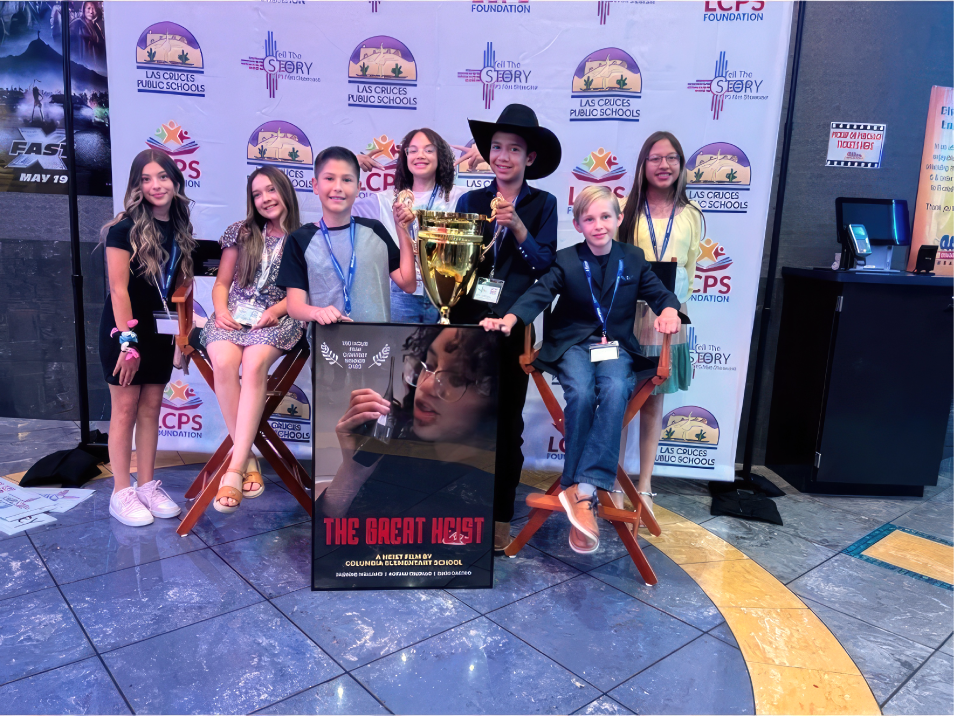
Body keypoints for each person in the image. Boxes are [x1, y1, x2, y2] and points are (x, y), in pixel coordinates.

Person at [480, 186, 682, 553]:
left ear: (618, 219)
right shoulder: (567, 259)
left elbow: (659, 294)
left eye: (606, 217)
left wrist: (669, 310)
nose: (598, 225)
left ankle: (580, 488)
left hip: (614, 347)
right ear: (578, 224)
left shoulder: (633, 259)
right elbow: (539, 294)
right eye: (589, 219)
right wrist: (510, 318)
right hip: (571, 345)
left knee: (618, 389)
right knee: (582, 393)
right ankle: (585, 493)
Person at [452, 103, 561, 552]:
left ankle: (498, 516)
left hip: (515, 327)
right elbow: (456, 269)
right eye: (496, 147)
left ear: (529, 158)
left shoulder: (543, 205)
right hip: (471, 324)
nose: (503, 156)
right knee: (464, 422)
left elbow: (545, 266)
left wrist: (517, 226)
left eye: (514, 149)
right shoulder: (470, 202)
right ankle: (461, 510)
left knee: (507, 426)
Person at [316, 326, 498, 587]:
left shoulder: (484, 484)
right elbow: (329, 562)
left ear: (491, 395)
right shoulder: (395, 441)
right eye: (429, 365)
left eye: (456, 379)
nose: (425, 386)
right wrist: (352, 473)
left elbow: (464, 573)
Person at [98, 149, 196, 527]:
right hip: (126, 331)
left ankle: (146, 486)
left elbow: (182, 286)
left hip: (161, 331)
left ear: (175, 181)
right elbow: (119, 290)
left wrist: (182, 337)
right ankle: (121, 492)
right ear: (136, 185)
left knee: (152, 408)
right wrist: (128, 343)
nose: (155, 185)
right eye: (146, 179)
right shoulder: (123, 229)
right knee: (124, 410)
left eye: (162, 177)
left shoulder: (180, 225)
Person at [199, 167, 305, 513]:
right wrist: (220, 309)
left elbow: (303, 294)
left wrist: (276, 310)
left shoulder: (305, 238)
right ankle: (248, 459)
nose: (265, 199)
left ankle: (233, 468)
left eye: (271, 190)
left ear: (285, 191)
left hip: (278, 318)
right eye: (257, 194)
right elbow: (221, 283)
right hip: (233, 315)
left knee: (253, 362)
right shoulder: (241, 233)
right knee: (225, 363)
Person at [618, 132, 704, 514]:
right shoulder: (623, 208)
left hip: (668, 319)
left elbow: (690, 270)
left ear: (681, 165)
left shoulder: (692, 214)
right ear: (642, 165)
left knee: (653, 404)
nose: (664, 165)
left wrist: (678, 312)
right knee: (619, 400)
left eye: (671, 158)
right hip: (628, 318)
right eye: (655, 158)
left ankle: (646, 485)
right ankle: (613, 480)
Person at [277, 146, 416, 325]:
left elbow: (409, 284)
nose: (338, 187)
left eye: (347, 180)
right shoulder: (300, 240)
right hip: (327, 347)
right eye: (329, 178)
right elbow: (294, 307)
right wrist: (317, 312)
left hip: (377, 346)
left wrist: (402, 229)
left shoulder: (375, 231)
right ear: (315, 185)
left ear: (358, 188)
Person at [375, 128, 469, 323]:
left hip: (444, 291)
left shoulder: (459, 196)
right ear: (405, 156)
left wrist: (486, 156)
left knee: (442, 353)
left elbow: (501, 197)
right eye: (413, 150)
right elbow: (340, 206)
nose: (420, 156)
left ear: (440, 156)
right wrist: (353, 164)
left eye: (428, 150)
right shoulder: (386, 199)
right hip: (402, 293)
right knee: (399, 351)